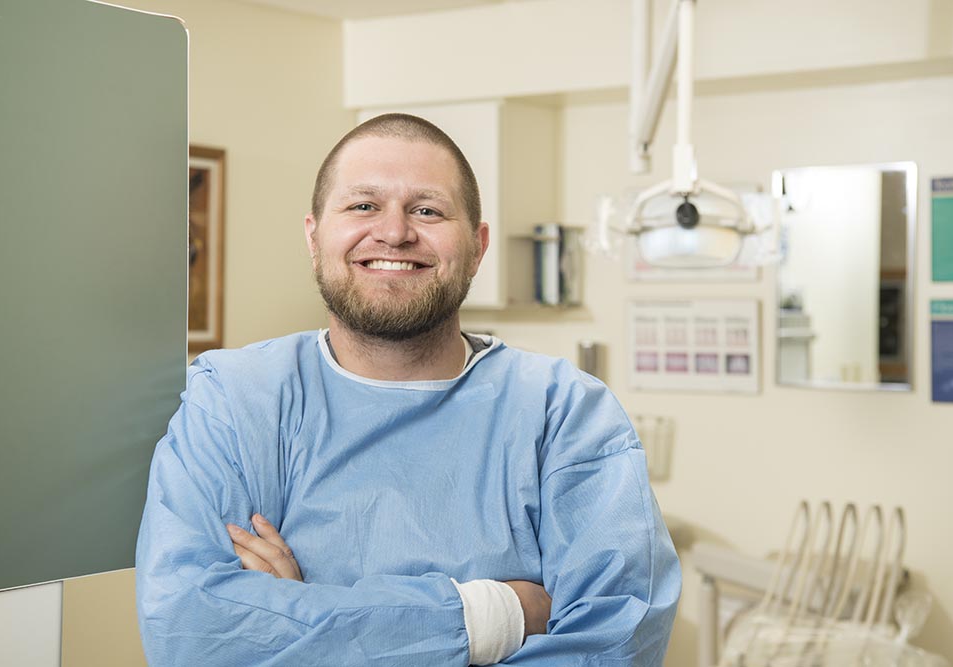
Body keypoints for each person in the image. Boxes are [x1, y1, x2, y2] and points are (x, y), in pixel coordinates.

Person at [135, 113, 681, 666]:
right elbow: (192, 635)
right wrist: (492, 614)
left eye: (427, 210)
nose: (394, 232)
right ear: (314, 234)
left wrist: (297, 611)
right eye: (363, 206)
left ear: (476, 246)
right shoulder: (234, 398)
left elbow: (615, 645)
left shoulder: (563, 412)